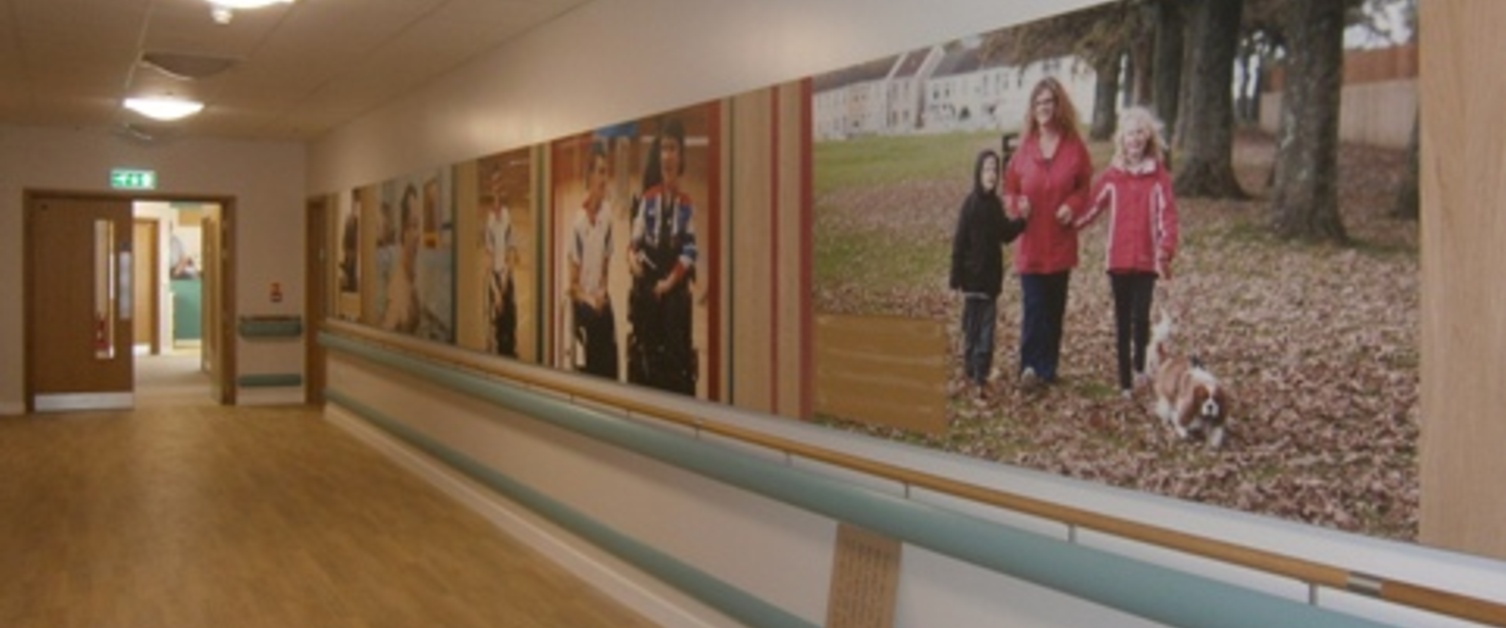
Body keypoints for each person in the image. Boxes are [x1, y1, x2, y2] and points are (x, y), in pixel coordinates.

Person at [1073, 106, 1179, 399]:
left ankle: (1139, 366)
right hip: (1117, 260)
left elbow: (1167, 216)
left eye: (1140, 133)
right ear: (1122, 137)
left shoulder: (1158, 176)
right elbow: (1091, 208)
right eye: (1130, 133)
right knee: (1121, 319)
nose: (1135, 139)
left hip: (1146, 261)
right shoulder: (1112, 176)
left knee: (1140, 317)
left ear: (1147, 137)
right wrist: (1068, 223)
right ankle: (1124, 382)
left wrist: (1165, 249)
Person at [1003, 76, 1094, 391]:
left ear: (1058, 106)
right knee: (1034, 307)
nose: (1043, 108)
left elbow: (1084, 187)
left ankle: (1048, 367)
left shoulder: (1073, 147)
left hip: (1059, 243)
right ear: (1033, 108)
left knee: (1054, 310)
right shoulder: (1025, 148)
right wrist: (1017, 204)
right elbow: (1010, 189)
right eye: (1038, 103)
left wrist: (1072, 205)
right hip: (1030, 245)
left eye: (1049, 102)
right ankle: (1029, 366)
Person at [627, 119, 697, 395]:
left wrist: (669, 282)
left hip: (672, 286)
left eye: (673, 149)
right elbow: (633, 244)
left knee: (673, 322)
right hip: (649, 283)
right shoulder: (648, 200)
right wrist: (632, 260)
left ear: (681, 158)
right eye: (664, 149)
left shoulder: (686, 205)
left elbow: (691, 251)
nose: (668, 156)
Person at [949, 148, 1026, 397]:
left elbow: (1004, 233)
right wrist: (955, 279)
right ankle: (971, 369)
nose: (991, 174)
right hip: (972, 282)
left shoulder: (995, 205)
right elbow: (959, 244)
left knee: (987, 334)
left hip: (991, 283)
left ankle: (981, 373)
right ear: (978, 173)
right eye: (987, 169)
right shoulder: (970, 205)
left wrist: (1023, 220)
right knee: (971, 330)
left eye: (995, 169)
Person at [568, 141, 620, 379]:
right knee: (596, 327)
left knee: (609, 327)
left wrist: (602, 293)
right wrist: (590, 299)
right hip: (583, 304)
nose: (603, 179)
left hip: (599, 298)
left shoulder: (607, 216)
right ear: (589, 176)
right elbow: (572, 287)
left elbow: (606, 267)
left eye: (606, 172)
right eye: (599, 172)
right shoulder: (578, 224)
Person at [484, 166, 519, 357]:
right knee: (496, 332)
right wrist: (495, 290)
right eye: (494, 184)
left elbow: (511, 254)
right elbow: (488, 260)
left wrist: (503, 287)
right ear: (491, 188)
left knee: (509, 330)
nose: (497, 188)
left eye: (500, 184)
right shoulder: (488, 220)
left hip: (506, 281)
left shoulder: (507, 216)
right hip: (495, 282)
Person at [381, 184, 422, 333]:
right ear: (404, 231)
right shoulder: (398, 290)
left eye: (419, 225)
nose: (418, 235)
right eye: (413, 225)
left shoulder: (411, 278)